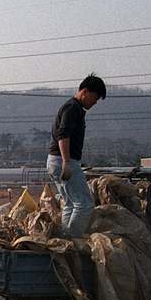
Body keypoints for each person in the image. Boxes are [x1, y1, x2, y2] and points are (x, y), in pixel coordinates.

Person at [47, 74, 107, 238]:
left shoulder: (74, 108)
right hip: (63, 159)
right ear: (85, 91)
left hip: (55, 160)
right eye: (94, 98)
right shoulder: (72, 108)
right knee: (85, 204)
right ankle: (73, 242)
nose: (94, 103)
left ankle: (65, 237)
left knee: (70, 204)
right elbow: (63, 135)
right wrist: (67, 162)